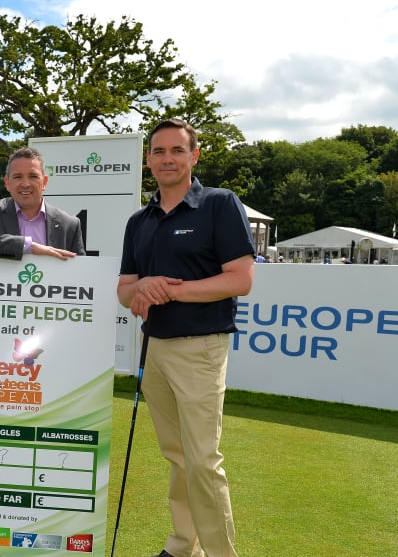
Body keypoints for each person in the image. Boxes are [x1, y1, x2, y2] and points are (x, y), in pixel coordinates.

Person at [117, 118, 254, 557]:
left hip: (201, 348)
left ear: (194, 156)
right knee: (176, 456)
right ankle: (183, 545)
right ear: (148, 160)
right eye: (159, 152)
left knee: (202, 460)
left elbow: (239, 280)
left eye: (177, 150)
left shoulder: (219, 204)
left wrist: (167, 289)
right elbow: (125, 290)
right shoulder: (139, 220)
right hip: (154, 348)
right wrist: (144, 287)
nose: (167, 159)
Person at [0, 147, 85, 259]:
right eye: (17, 177)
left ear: (45, 182)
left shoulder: (70, 224)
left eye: (33, 176)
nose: (25, 184)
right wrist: (28, 246)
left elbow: (81, 270)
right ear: (7, 183)